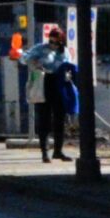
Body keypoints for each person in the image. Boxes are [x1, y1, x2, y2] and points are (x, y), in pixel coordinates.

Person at [28, 23, 73, 162]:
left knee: (60, 119)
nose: (52, 44)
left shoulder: (64, 52)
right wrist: (33, 61)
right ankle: (44, 152)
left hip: (59, 84)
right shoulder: (40, 49)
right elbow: (25, 57)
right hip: (44, 82)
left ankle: (58, 151)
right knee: (44, 119)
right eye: (50, 40)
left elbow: (69, 65)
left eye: (55, 41)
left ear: (61, 41)